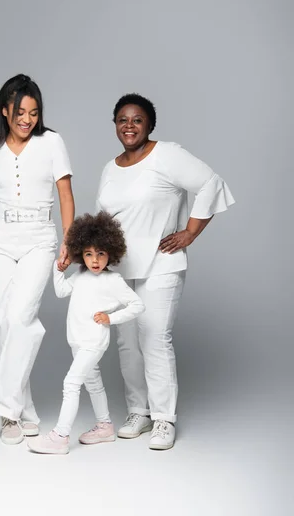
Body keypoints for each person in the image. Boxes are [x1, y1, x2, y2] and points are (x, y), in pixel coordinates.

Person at [96, 93, 235, 450]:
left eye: (137, 119)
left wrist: (190, 232)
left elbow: (209, 183)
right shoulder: (110, 169)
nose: (129, 125)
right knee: (127, 345)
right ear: (115, 125)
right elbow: (103, 220)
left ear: (149, 125)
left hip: (161, 265)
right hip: (119, 269)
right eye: (123, 119)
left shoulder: (166, 154)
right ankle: (138, 412)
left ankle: (163, 419)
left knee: (154, 338)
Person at [0, 74, 75, 445]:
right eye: (20, 112)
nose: (27, 119)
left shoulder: (51, 142)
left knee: (20, 316)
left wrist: (69, 239)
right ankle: (20, 414)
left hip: (38, 239)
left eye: (34, 112)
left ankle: (4, 408)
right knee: (2, 323)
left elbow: (65, 195)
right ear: (4, 111)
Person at [27, 212, 145, 454]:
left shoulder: (113, 280)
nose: (94, 260)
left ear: (111, 252)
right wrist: (59, 269)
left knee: (71, 382)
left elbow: (137, 305)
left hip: (93, 341)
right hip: (76, 339)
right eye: (89, 254)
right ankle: (105, 427)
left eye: (100, 253)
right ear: (80, 252)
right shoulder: (80, 274)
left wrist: (110, 318)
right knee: (93, 382)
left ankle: (60, 436)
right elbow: (61, 291)